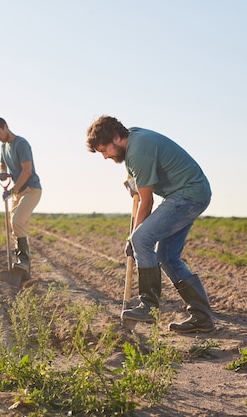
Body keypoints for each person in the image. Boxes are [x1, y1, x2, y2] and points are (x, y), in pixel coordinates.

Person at [86, 115, 214, 333]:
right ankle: (202, 319)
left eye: (104, 150)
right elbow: (137, 177)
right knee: (166, 257)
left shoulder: (137, 153)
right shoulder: (134, 139)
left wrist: (134, 237)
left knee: (141, 239)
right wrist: (132, 183)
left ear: (117, 137)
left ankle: (148, 305)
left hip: (186, 196)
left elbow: (147, 201)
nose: (105, 157)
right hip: (192, 193)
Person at [0, 117, 42, 276]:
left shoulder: (21, 144)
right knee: (17, 228)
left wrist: (12, 191)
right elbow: (2, 163)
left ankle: (23, 260)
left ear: (5, 127)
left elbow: (27, 171)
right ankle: (25, 272)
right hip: (18, 191)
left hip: (31, 189)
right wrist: (2, 171)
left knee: (16, 221)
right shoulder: (4, 146)